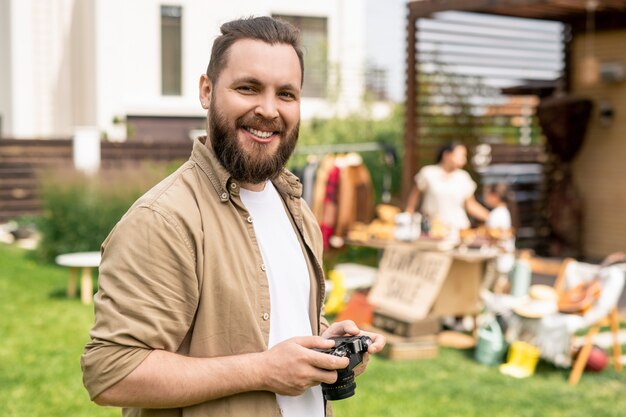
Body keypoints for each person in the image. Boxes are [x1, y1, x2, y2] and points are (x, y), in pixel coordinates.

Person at [80, 16, 385, 417]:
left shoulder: (296, 207)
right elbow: (110, 372)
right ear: (207, 91)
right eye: (248, 88)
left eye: (287, 94)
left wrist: (325, 344)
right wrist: (262, 370)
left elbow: (267, 329)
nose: (269, 110)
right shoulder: (164, 220)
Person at [404, 142, 489, 237]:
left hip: (459, 230)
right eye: (461, 155)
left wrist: (491, 217)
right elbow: (414, 197)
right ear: (447, 155)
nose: (464, 160)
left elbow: (470, 205)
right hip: (433, 231)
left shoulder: (463, 177)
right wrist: (408, 216)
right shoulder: (428, 173)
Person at [483, 182, 517, 291]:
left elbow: (496, 235)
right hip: (504, 258)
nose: (485, 197)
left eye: (486, 194)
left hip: (498, 258)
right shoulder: (505, 211)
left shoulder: (496, 214)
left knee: (494, 288)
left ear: (495, 196)